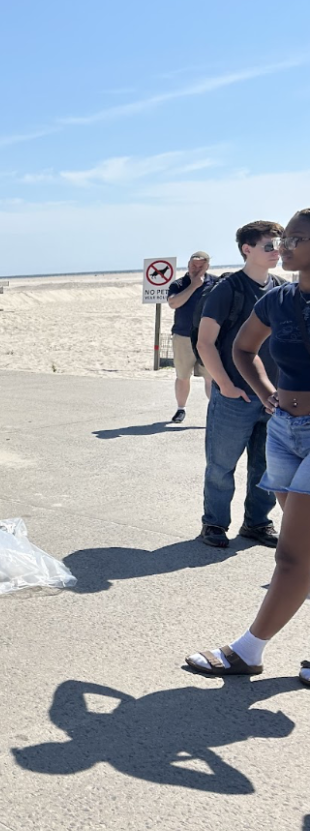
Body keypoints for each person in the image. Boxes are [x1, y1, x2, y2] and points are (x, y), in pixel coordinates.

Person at [186, 209, 310, 679]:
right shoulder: (278, 300)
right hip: (284, 430)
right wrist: (263, 394)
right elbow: (240, 348)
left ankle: (247, 650)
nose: (285, 245)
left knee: (294, 554)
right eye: (283, 238)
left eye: (296, 238)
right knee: (307, 550)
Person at [195, 220, 285, 549]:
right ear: (247, 249)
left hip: (274, 396)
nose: (277, 251)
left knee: (268, 467)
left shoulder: (279, 287)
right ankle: (214, 525)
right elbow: (205, 343)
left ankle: (257, 524)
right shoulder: (227, 289)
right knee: (221, 466)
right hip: (235, 397)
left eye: (280, 244)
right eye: (269, 246)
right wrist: (226, 386)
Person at [166, 251, 216, 422]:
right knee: (182, 375)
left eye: (201, 265)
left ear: (207, 266)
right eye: (194, 265)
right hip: (183, 336)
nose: (197, 268)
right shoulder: (179, 284)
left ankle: (214, 412)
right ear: (188, 265)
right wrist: (193, 285)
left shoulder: (216, 283)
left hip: (208, 338)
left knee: (210, 376)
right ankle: (180, 409)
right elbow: (173, 303)